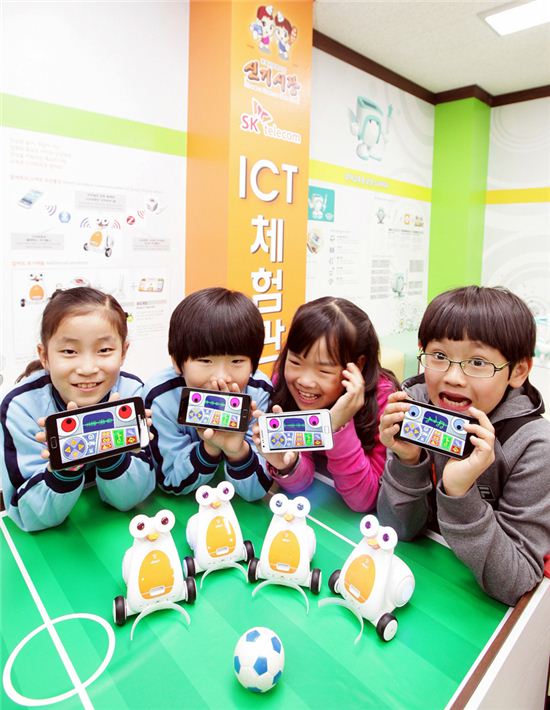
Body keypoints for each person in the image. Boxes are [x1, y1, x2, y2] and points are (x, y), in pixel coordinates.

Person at [377, 286, 550, 606]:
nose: (453, 377)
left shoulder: (535, 446)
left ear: (519, 371)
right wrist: (407, 460)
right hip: (413, 580)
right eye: (439, 356)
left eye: (478, 362)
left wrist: (459, 493)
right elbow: (396, 528)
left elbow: (517, 580)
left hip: (477, 601)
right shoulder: (414, 406)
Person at [0, 287, 155, 532]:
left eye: (104, 350)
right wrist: (65, 468)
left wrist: (112, 452)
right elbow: (27, 516)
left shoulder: (131, 392)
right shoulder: (21, 408)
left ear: (123, 352)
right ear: (44, 355)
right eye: (69, 351)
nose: (87, 368)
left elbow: (131, 499)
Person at [253, 297, 398, 512]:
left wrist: (337, 425)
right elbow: (300, 484)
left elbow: (363, 500)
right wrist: (287, 464)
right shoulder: (284, 387)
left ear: (357, 366)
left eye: (323, 370)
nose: (305, 381)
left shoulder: (383, 402)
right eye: (295, 362)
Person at [143, 287, 272, 500]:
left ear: (253, 364)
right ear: (177, 362)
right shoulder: (160, 398)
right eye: (205, 361)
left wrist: (237, 451)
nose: (220, 378)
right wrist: (210, 447)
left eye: (236, 361)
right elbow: (171, 481)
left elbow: (255, 492)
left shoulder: (258, 391)